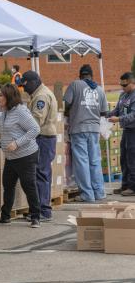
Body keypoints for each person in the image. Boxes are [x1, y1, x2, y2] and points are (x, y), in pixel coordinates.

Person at [0, 84, 41, 228]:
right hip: (12, 157)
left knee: (28, 185)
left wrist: (17, 143)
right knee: (8, 185)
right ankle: (5, 216)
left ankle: (36, 217)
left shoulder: (20, 112)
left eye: (0, 95)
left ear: (8, 97)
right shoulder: (6, 112)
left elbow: (35, 129)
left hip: (26, 156)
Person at [63, 64, 108, 202]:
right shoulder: (99, 89)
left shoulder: (75, 85)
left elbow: (65, 104)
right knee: (95, 161)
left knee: (82, 161)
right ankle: (99, 192)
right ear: (92, 75)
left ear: (80, 75)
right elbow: (104, 112)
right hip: (94, 130)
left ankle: (87, 194)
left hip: (79, 129)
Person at [21, 71, 58, 221]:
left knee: (40, 174)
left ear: (33, 81)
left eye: (25, 85)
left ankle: (43, 211)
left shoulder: (41, 96)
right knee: (40, 174)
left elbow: (36, 122)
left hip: (43, 139)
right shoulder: (39, 93)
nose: (23, 88)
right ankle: (39, 209)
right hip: (43, 139)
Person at [107, 72, 135, 196]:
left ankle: (133, 187)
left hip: (133, 131)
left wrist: (118, 119)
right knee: (123, 158)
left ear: (132, 83)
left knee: (132, 159)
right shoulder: (123, 95)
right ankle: (125, 185)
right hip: (126, 131)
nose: (122, 87)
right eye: (121, 85)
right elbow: (117, 110)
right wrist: (105, 114)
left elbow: (133, 116)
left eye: (125, 85)